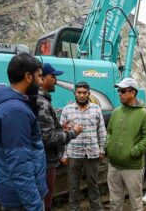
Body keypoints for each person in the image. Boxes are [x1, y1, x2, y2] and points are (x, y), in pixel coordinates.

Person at [0, 53, 47, 210]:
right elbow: (20, 165)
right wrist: (35, 206)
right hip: (23, 200)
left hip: (19, 196)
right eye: (39, 76)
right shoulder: (15, 111)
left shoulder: (12, 105)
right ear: (28, 76)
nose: (41, 82)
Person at [36, 63, 83, 211]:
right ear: (42, 79)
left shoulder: (41, 100)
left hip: (43, 158)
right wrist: (73, 132)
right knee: (45, 201)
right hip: (46, 160)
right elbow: (48, 138)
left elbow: (41, 130)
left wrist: (59, 128)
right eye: (53, 76)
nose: (56, 80)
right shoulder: (41, 103)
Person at [106, 78, 146, 211]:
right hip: (114, 166)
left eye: (122, 91)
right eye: (119, 91)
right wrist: (108, 147)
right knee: (115, 201)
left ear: (133, 93)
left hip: (132, 167)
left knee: (135, 201)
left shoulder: (144, 114)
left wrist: (133, 152)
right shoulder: (116, 112)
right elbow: (109, 132)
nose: (119, 93)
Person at [60, 82, 107, 211]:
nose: (81, 95)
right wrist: (63, 154)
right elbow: (61, 134)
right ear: (75, 93)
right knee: (73, 185)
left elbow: (101, 131)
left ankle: (96, 207)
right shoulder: (67, 110)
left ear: (88, 94)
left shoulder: (96, 109)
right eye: (79, 92)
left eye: (84, 93)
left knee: (93, 183)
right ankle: (74, 208)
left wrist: (102, 149)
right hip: (73, 153)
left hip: (92, 153)